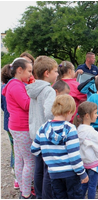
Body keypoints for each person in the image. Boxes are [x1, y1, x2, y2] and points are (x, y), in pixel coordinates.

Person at [31, 94, 89, 199]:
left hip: (54, 174)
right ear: (68, 112)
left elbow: (34, 149)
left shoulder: (43, 128)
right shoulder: (70, 129)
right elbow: (74, 156)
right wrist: (82, 173)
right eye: (72, 114)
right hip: (71, 174)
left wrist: (49, 154)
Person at [26, 55, 59, 199]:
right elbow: (50, 113)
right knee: (48, 169)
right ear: (47, 73)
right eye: (56, 71)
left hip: (35, 134)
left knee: (38, 168)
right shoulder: (49, 90)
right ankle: (47, 196)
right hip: (46, 135)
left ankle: (39, 195)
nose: (57, 74)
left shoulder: (33, 89)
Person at [2, 58, 35, 199]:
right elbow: (27, 105)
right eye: (29, 71)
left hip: (16, 126)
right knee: (30, 161)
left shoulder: (15, 84)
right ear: (19, 70)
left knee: (21, 159)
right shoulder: (16, 85)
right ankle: (27, 193)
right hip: (22, 127)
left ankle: (23, 189)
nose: (30, 74)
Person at [73, 101, 98, 199]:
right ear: (88, 116)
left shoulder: (77, 130)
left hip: (82, 164)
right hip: (93, 164)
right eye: (96, 113)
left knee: (83, 185)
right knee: (92, 186)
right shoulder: (93, 132)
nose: (97, 115)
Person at [1, 64, 18, 189]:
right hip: (15, 123)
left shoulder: (3, 88)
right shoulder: (16, 87)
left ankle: (15, 171)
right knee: (17, 150)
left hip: (8, 123)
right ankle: (17, 173)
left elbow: (2, 107)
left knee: (13, 148)